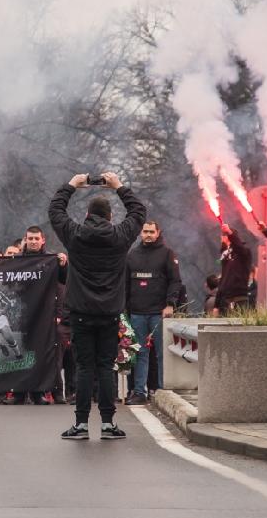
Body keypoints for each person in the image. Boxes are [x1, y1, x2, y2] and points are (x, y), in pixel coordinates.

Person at [49, 172, 145, 440]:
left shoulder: (75, 235)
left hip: (80, 313)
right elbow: (138, 212)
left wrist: (70, 185)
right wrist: (119, 186)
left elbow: (55, 211)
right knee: (105, 367)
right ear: (111, 217)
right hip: (109, 313)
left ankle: (80, 425)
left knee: (83, 367)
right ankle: (107, 424)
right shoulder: (120, 236)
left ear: (87, 216)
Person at [5, 225, 68, 405]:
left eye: (36, 239)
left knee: (47, 354)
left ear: (43, 240)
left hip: (45, 314)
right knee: (20, 354)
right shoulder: (16, 260)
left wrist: (63, 266)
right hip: (22, 316)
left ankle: (43, 393)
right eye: (30, 238)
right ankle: (19, 393)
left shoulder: (51, 259)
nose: (33, 242)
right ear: (25, 240)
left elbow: (63, 284)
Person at [124, 220, 181, 405]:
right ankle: (139, 392)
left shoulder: (166, 254)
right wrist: (124, 310)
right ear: (141, 233)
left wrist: (170, 304)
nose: (148, 234)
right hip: (137, 313)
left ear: (158, 233)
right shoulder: (132, 255)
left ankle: (163, 390)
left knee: (161, 353)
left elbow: (175, 281)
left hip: (159, 312)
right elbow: (125, 285)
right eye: (145, 231)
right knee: (139, 353)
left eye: (151, 231)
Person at [213, 224, 253, 315]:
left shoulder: (243, 252)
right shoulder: (225, 256)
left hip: (237, 299)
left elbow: (239, 246)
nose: (221, 238)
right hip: (225, 300)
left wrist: (230, 234)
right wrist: (216, 305)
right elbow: (223, 281)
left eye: (223, 235)